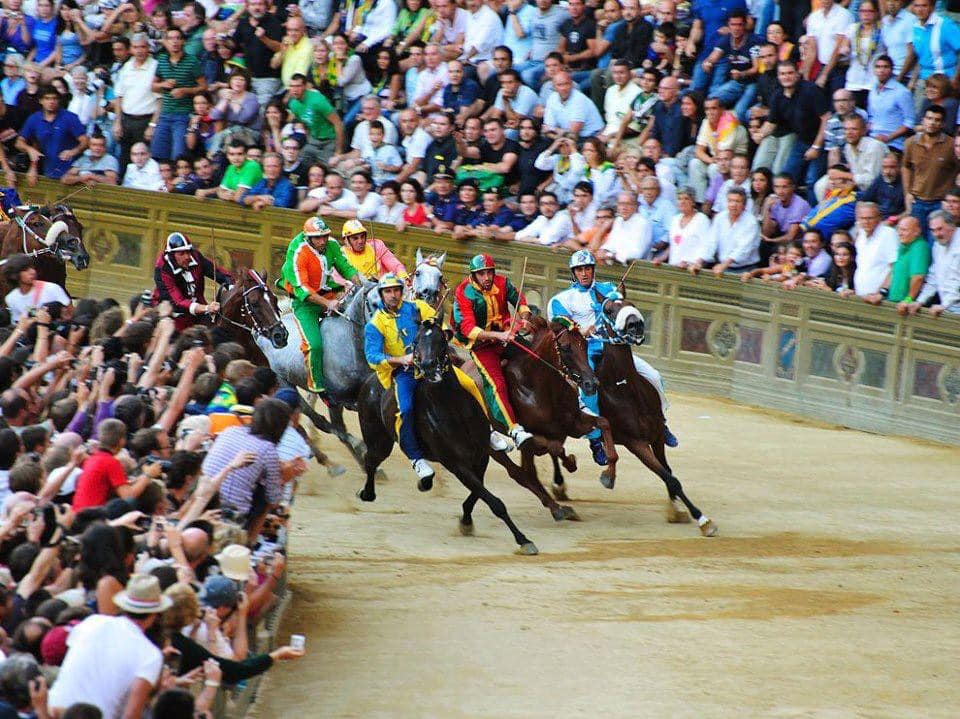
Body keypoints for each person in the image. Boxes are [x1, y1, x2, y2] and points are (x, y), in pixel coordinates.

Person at [364, 274, 492, 484]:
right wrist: (401, 359)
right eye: (388, 291)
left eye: (396, 290)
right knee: (405, 410)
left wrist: (442, 334)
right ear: (381, 294)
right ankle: (416, 458)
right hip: (404, 373)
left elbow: (441, 327)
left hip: (433, 366)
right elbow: (373, 357)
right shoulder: (375, 325)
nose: (393, 295)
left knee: (469, 384)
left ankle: (489, 431)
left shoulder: (418, 307)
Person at [549, 251, 678, 458]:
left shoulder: (608, 288)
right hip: (585, 352)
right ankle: (596, 441)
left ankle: (661, 424)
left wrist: (618, 299)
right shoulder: (561, 299)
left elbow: (620, 309)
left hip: (614, 348)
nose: (584, 273)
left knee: (654, 376)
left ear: (593, 270)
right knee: (588, 390)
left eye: (588, 269)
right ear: (574, 273)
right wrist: (580, 331)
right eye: (580, 270)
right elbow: (559, 326)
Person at [48, 574, 170, 718]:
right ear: (155, 614)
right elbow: (131, 715)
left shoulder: (91, 622)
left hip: (53, 712)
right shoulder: (150, 655)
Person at [451, 254, 534, 448]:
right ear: (473, 275)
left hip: (507, 336)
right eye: (481, 274)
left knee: (536, 358)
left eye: (489, 272)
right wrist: (499, 336)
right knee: (496, 385)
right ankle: (514, 429)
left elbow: (520, 300)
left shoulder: (503, 283)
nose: (487, 277)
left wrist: (525, 318)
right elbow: (468, 329)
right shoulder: (464, 292)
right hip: (482, 346)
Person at [279, 217, 359, 396]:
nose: (322, 241)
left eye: (325, 236)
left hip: (328, 291)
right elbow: (303, 289)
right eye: (318, 238)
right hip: (305, 303)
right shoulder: (298, 251)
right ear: (308, 238)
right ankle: (318, 387)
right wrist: (328, 303)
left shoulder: (331, 244)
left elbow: (345, 268)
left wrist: (360, 281)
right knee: (314, 345)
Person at [152, 232, 234, 333]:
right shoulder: (162, 268)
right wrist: (207, 308)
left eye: (188, 252)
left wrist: (232, 285)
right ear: (172, 255)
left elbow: (218, 272)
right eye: (182, 253)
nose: (187, 257)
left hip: (199, 312)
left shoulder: (195, 256)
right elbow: (177, 302)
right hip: (173, 315)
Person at [902, 105, 960, 236]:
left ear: (942, 124)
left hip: (940, 202)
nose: (932, 123)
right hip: (918, 201)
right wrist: (907, 193)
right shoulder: (910, 143)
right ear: (923, 120)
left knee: (937, 240)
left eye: (937, 120)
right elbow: (905, 166)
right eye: (929, 118)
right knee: (916, 238)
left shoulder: (951, 145)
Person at [864, 215, 931, 305]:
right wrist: (881, 293)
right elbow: (893, 272)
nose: (899, 233)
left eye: (904, 230)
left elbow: (918, 277)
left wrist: (908, 300)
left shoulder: (919, 247)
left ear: (916, 232)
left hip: (905, 307)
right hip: (894, 303)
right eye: (898, 229)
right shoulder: (903, 245)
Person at [905, 210, 960, 316]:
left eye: (940, 229)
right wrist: (920, 301)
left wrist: (945, 305)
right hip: (948, 307)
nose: (936, 234)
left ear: (952, 226)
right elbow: (933, 278)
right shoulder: (938, 245)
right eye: (933, 230)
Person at [2, 255, 71, 323]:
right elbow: (18, 324)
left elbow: (71, 315)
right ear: (14, 275)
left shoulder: (52, 289)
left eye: (32, 268)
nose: (33, 272)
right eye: (26, 270)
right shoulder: (11, 298)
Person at [339, 219, 408, 281]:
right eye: (355, 238)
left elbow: (395, 265)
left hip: (383, 288)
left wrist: (404, 276)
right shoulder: (341, 254)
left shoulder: (377, 245)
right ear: (346, 240)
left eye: (362, 236)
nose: (360, 241)